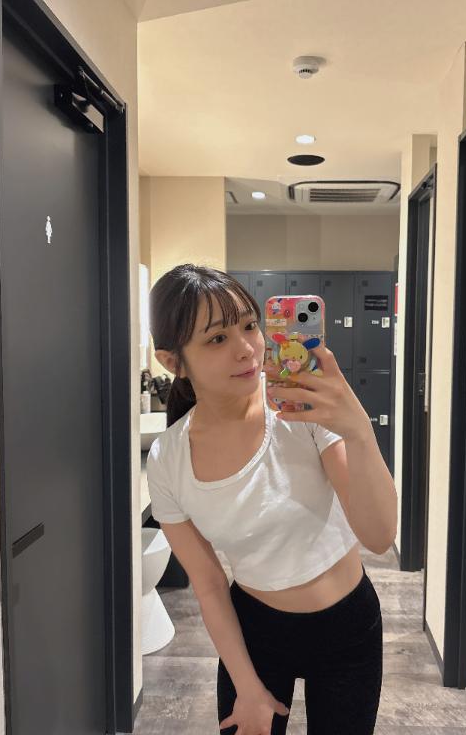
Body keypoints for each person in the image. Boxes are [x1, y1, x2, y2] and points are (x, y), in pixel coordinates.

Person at [146, 263, 398, 735]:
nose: (246, 348)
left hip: (348, 629)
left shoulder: (301, 410)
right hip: (256, 636)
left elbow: (380, 535)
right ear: (172, 361)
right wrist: (246, 686)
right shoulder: (169, 459)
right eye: (217, 338)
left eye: (249, 325)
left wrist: (358, 430)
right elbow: (209, 585)